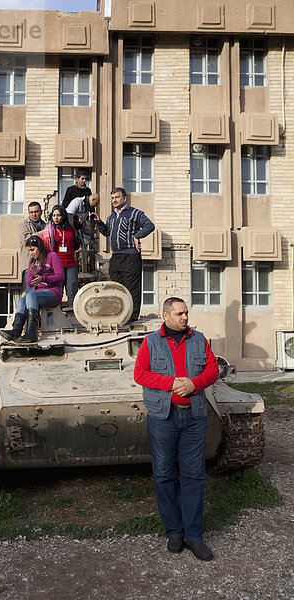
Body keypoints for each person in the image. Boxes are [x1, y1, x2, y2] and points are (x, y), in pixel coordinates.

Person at [133, 297, 219, 561]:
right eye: (180, 313)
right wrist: (171, 383)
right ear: (166, 316)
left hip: (193, 417)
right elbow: (140, 374)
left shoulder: (199, 339)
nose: (185, 317)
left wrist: (194, 384)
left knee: (194, 476)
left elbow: (213, 369)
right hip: (163, 417)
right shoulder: (150, 341)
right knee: (164, 476)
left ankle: (194, 536)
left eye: (186, 313)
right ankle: (174, 532)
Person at [94, 187, 155, 323]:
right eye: (112, 198)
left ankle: (131, 319)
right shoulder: (111, 216)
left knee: (132, 288)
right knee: (117, 288)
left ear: (124, 198)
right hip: (116, 257)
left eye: (117, 197)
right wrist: (99, 222)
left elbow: (149, 225)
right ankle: (119, 317)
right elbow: (107, 232)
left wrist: (137, 235)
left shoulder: (135, 213)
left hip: (131, 256)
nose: (114, 200)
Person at [0, 236, 64, 343]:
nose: (31, 253)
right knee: (22, 300)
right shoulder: (32, 261)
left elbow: (60, 276)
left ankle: (31, 332)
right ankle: (16, 330)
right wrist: (33, 274)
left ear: (39, 247)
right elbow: (29, 283)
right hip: (37, 294)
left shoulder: (52, 256)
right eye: (29, 250)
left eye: (33, 249)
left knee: (30, 296)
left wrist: (43, 278)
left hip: (53, 293)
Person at [41, 205, 80, 308]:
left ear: (63, 216)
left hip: (71, 264)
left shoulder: (71, 229)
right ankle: (58, 317)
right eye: (54, 215)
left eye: (58, 215)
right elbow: (44, 248)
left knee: (72, 292)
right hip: (57, 266)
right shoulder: (48, 230)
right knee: (57, 292)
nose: (56, 218)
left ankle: (73, 317)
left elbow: (76, 244)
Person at [18, 202, 46, 277]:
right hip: (29, 265)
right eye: (31, 212)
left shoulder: (46, 226)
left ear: (41, 212)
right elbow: (26, 240)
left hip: (44, 265)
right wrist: (43, 233)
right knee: (31, 288)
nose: (34, 214)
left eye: (36, 211)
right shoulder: (23, 225)